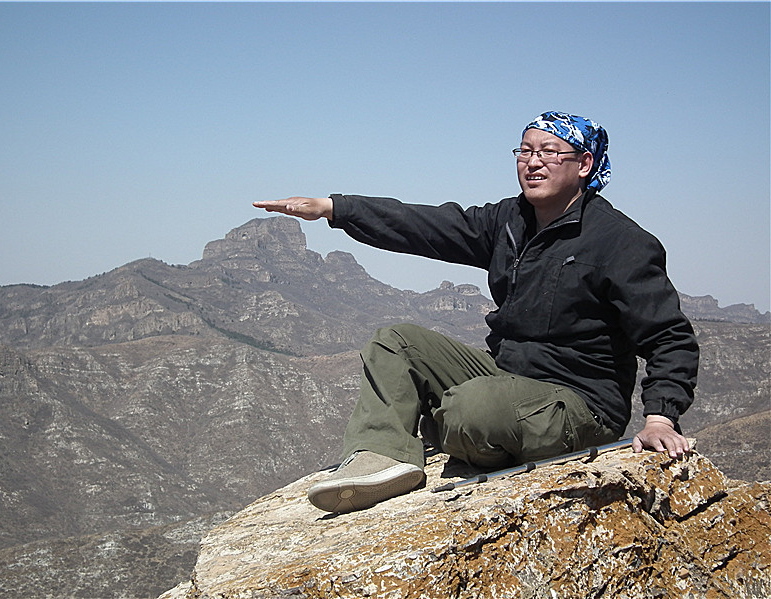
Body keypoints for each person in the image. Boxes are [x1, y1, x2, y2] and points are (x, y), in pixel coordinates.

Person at [253, 111, 699, 514]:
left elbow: (668, 336)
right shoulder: (510, 220)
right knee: (396, 341)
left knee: (471, 408)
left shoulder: (620, 242)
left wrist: (661, 416)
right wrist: (335, 208)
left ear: (583, 164)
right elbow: (423, 225)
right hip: (508, 377)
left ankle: (455, 425)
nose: (533, 162)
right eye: (524, 151)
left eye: (548, 152)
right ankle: (382, 456)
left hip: (578, 405)